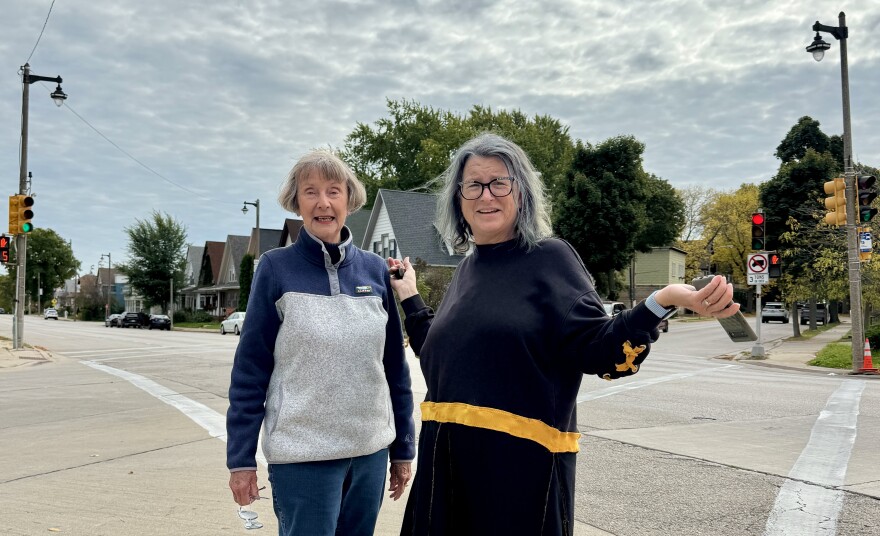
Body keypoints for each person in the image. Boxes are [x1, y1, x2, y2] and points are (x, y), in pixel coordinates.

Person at [386, 133, 740, 535]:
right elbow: (441, 362)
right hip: (445, 473)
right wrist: (410, 295)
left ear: (521, 193)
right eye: (474, 185)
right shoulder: (469, 269)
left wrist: (661, 300)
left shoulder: (550, 259)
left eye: (500, 182)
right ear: (458, 199)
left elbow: (602, 351)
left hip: (515, 478)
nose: (487, 195)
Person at [226, 149, 415, 536]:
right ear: (297, 203)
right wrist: (240, 460)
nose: (323, 202)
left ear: (349, 200)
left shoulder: (375, 270)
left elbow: (394, 367)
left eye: (333, 190)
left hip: (369, 454)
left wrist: (403, 449)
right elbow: (250, 372)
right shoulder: (275, 269)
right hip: (303, 458)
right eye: (310, 191)